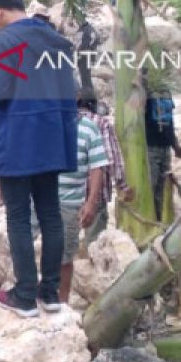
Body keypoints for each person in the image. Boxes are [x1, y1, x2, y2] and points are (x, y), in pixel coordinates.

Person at [0, 0, 78, 318]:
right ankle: (50, 293)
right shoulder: (58, 40)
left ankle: (24, 296)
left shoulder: (5, 40)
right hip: (53, 136)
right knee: (50, 212)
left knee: (18, 215)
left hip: (19, 137)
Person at [54, 96, 110, 304]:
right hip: (40, 199)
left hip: (70, 202)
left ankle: (62, 301)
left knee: (66, 254)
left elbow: (98, 167)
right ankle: (40, 295)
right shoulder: (44, 123)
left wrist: (91, 203)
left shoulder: (89, 129)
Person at [78, 87, 124, 244]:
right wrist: (122, 184)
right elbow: (112, 158)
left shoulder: (63, 122)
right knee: (95, 242)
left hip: (68, 194)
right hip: (96, 194)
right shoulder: (101, 123)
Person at [145, 86, 181, 220]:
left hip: (165, 148)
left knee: (164, 185)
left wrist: (175, 144)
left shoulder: (167, 93)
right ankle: (152, 219)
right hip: (150, 148)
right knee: (151, 186)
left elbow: (170, 122)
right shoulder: (144, 93)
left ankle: (161, 219)